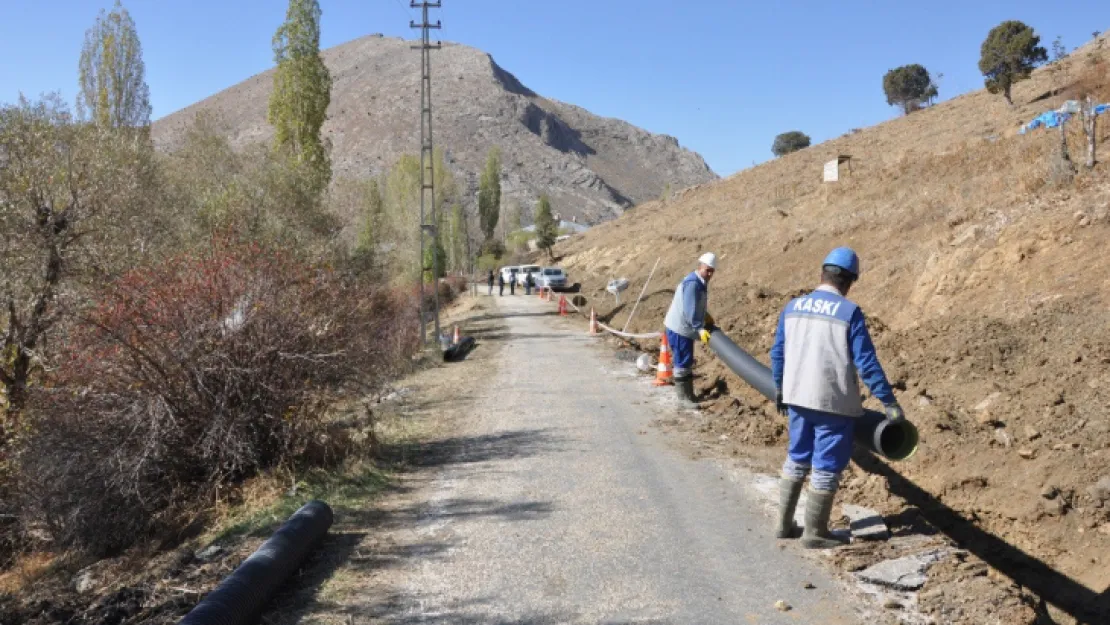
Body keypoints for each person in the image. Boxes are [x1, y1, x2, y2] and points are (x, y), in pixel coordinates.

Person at [769, 247, 904, 549]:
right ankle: (815, 532)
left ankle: (782, 524)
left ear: (823, 273)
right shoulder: (848, 312)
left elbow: (777, 352)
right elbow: (866, 363)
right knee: (826, 465)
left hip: (796, 397)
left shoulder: (793, 307)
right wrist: (889, 404)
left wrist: (780, 388)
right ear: (849, 281)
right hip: (832, 403)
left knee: (797, 456)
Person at [663, 252, 717, 404]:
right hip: (680, 329)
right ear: (700, 267)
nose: (710, 274)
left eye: (712, 271)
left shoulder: (699, 281)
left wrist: (704, 315)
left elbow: (694, 304)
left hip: (683, 328)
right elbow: (689, 309)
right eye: (707, 270)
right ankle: (683, 399)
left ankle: (688, 395)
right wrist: (699, 328)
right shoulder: (693, 283)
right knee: (682, 362)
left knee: (686, 361)